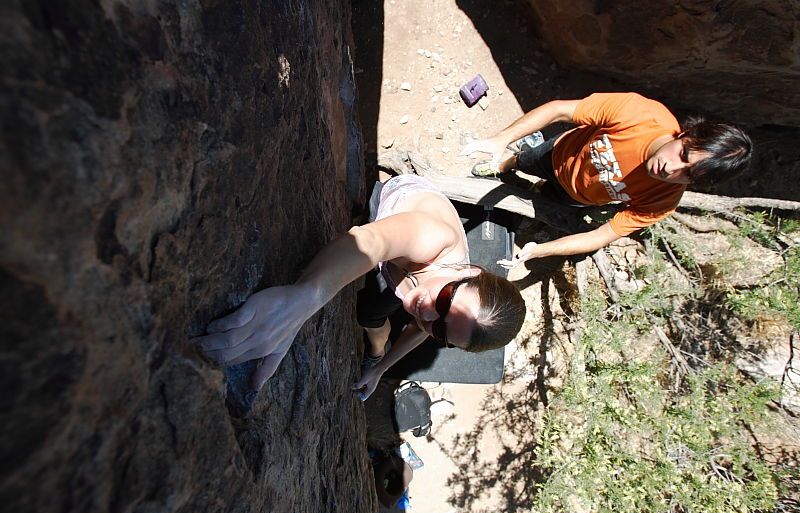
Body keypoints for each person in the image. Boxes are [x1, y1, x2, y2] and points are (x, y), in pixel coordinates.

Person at [194, 173, 526, 398]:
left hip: (399, 274)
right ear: (471, 271)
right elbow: (373, 241)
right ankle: (376, 339)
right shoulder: (434, 240)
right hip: (392, 208)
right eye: (444, 303)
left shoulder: (444, 305)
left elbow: (421, 329)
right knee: (369, 310)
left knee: (372, 318)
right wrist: (305, 299)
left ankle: (376, 348)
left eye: (443, 333)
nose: (427, 314)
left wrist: (381, 368)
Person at [461, 92, 753, 268]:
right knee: (525, 160)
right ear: (687, 134)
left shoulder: (662, 201)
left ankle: (529, 189)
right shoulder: (640, 114)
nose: (671, 168)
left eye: (687, 174)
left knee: (543, 202)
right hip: (559, 154)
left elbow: (602, 236)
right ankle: (505, 164)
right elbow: (559, 109)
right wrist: (502, 139)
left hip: (578, 198)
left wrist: (538, 250)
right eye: (684, 153)